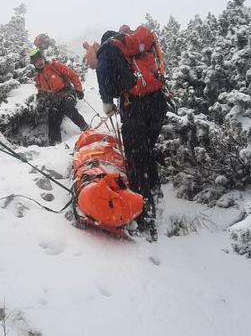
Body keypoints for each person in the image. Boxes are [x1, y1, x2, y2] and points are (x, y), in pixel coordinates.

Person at [95, 25, 168, 241]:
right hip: (158, 102)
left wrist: (108, 103)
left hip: (134, 106)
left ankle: (143, 212)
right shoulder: (137, 45)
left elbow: (102, 73)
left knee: (136, 159)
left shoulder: (108, 48)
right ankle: (155, 190)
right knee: (146, 150)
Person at [30, 47, 89, 145]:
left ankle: (85, 128)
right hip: (54, 99)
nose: (39, 62)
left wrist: (78, 89)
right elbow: (41, 92)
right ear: (34, 64)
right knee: (52, 116)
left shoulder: (55, 66)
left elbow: (73, 75)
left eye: (40, 59)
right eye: (36, 62)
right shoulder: (38, 78)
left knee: (67, 107)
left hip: (67, 92)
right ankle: (55, 144)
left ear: (43, 58)